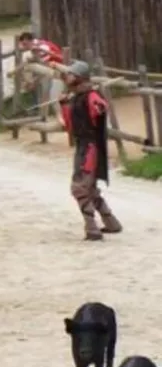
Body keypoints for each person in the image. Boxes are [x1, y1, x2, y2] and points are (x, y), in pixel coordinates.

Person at [61, 60, 122, 241]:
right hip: (83, 145)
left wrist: (95, 104)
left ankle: (92, 228)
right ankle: (111, 222)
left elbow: (101, 108)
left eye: (71, 74)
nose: (68, 77)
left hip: (90, 147)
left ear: (78, 77)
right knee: (89, 187)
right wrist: (65, 105)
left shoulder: (90, 96)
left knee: (79, 187)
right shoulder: (78, 98)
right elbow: (71, 126)